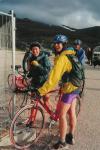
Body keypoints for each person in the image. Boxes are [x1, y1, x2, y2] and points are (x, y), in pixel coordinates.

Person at [33, 35, 84, 149]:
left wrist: (41, 91)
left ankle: (62, 142)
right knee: (71, 113)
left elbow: (53, 78)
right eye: (55, 43)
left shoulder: (63, 58)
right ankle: (70, 136)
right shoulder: (70, 54)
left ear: (64, 44)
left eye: (59, 43)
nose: (56, 45)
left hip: (70, 89)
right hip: (76, 87)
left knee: (61, 115)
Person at [27, 41, 51, 106]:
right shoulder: (31, 58)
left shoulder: (45, 58)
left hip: (44, 83)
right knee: (33, 103)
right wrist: (28, 76)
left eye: (36, 49)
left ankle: (52, 115)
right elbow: (31, 71)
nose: (34, 51)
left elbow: (47, 71)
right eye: (33, 49)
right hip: (34, 84)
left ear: (39, 50)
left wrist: (38, 65)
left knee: (46, 102)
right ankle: (32, 116)